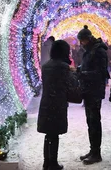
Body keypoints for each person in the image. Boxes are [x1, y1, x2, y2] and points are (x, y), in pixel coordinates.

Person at [37, 40, 81, 170]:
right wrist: (73, 72)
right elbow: (70, 84)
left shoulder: (45, 66)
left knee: (48, 134)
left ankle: (46, 162)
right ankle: (53, 163)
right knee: (54, 134)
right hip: (57, 104)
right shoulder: (63, 67)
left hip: (46, 103)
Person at [76, 25, 108, 165]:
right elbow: (89, 67)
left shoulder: (98, 51)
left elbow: (100, 73)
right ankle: (93, 149)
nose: (80, 44)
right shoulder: (90, 51)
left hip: (94, 91)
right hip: (89, 90)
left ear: (86, 40)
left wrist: (82, 74)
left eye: (81, 41)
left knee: (94, 122)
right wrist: (80, 69)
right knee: (90, 122)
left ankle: (97, 153)